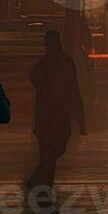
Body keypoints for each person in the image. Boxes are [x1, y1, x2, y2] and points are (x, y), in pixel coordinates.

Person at [27, 31, 85, 190]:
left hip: (46, 115)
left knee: (49, 152)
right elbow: (73, 91)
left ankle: (39, 181)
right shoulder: (64, 62)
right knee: (53, 151)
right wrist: (80, 120)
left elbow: (34, 78)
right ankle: (41, 182)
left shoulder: (44, 64)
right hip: (57, 116)